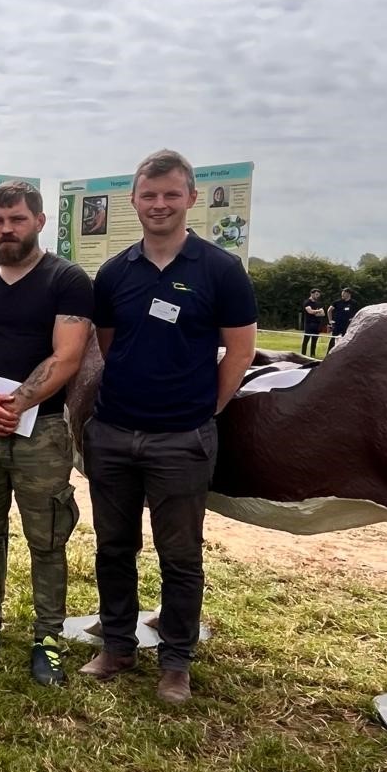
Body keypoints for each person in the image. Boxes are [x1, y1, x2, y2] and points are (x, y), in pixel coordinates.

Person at [81, 149, 258, 704]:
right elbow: (109, 347)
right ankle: (117, 646)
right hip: (112, 432)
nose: (159, 204)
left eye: (170, 194)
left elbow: (241, 348)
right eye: (149, 195)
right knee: (113, 547)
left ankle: (176, 661)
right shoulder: (114, 273)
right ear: (133, 201)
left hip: (181, 437)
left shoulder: (220, 270)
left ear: (191, 199)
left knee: (180, 555)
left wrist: (207, 407)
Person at [0, 182, 94, 684]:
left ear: (39, 222)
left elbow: (68, 354)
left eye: (18, 220)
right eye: (0, 220)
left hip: (42, 432)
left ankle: (47, 637)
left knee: (46, 537)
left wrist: (16, 404)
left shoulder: (66, 280)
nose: (6, 229)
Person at [299, 287, 327, 356]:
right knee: (306, 340)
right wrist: (318, 311)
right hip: (309, 324)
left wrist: (317, 312)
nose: (317, 296)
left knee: (314, 341)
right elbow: (310, 311)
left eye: (318, 294)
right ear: (312, 294)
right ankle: (303, 355)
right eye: (316, 294)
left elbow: (323, 314)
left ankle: (312, 355)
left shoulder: (318, 303)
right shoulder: (307, 302)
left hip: (317, 324)